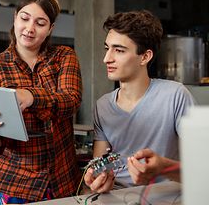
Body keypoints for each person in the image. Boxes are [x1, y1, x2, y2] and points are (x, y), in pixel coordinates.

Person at [0, 0, 82, 204]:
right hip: (10, 184)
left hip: (60, 181)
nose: (30, 29)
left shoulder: (64, 56)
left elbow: (71, 101)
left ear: (50, 29)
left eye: (40, 23)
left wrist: (32, 96)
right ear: (15, 18)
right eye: (24, 18)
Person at [84, 10, 195, 193]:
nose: (106, 59)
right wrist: (98, 181)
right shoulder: (102, 106)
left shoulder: (175, 96)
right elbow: (99, 169)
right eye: (107, 48)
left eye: (118, 50)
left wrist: (163, 167)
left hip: (165, 196)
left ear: (145, 57)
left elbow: (202, 170)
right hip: (116, 197)